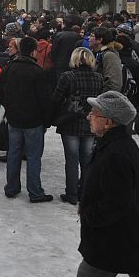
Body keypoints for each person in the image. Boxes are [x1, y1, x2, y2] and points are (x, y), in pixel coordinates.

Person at [70, 91, 139, 277]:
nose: (88, 117)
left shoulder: (117, 153)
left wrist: (90, 214)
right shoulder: (112, 144)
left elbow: (118, 201)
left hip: (112, 240)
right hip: (127, 238)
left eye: (94, 113)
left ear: (108, 122)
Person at [0, 36, 53, 202]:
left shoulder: (9, 68)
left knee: (14, 153)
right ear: (34, 50)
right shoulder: (37, 71)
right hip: (34, 120)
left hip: (14, 118)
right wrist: (46, 120)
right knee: (33, 156)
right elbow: (45, 100)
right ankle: (35, 191)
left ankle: (11, 187)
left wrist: (10, 106)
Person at [51, 47, 103, 205]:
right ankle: (85, 191)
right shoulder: (98, 78)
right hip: (90, 122)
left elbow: (56, 99)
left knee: (71, 160)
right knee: (87, 160)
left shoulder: (68, 76)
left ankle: (72, 193)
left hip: (70, 122)